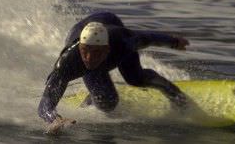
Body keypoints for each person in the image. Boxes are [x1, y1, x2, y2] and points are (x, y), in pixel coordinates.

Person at [38, 11, 189, 134]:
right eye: (85, 52)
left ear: (107, 50)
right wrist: (55, 119)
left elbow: (149, 38)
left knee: (136, 79)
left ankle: (174, 93)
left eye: (97, 53)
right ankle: (92, 98)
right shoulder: (68, 63)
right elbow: (45, 105)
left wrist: (174, 42)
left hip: (110, 21)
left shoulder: (124, 42)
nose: (89, 58)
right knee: (107, 102)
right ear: (80, 49)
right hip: (80, 31)